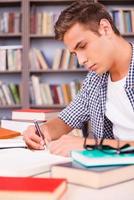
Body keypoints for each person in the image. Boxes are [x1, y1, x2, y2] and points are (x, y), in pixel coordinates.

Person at [23, 0, 134, 157]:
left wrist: (90, 144)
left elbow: (92, 144)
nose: (81, 61)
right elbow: (67, 119)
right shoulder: (94, 80)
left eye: (82, 46)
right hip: (113, 169)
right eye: (75, 53)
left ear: (105, 29)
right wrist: (42, 131)